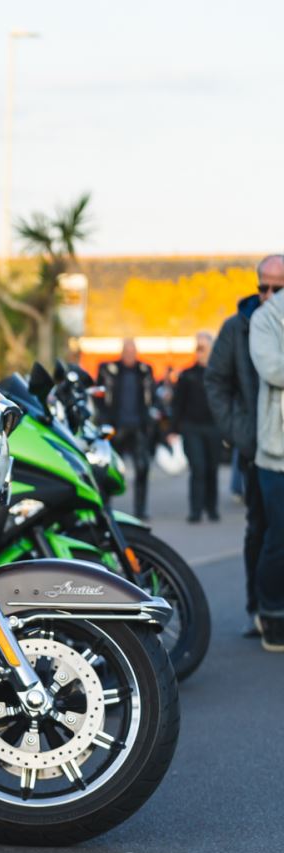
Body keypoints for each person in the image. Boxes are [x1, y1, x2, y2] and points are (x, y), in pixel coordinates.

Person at [207, 255, 284, 637]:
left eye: (277, 287)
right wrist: (240, 433)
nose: (268, 294)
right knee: (261, 528)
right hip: (257, 446)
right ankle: (260, 608)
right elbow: (216, 383)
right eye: (263, 287)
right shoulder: (235, 328)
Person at [246, 276, 284, 651]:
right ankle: (270, 613)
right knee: (277, 537)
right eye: (264, 284)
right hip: (275, 452)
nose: (270, 291)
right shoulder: (264, 319)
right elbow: (273, 370)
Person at [98, 338, 157, 519]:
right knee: (110, 470)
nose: (130, 355)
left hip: (138, 426)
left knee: (142, 468)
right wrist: (104, 419)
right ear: (122, 352)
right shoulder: (109, 370)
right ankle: (105, 507)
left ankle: (140, 509)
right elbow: (99, 394)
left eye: (132, 352)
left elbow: (152, 397)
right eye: (127, 352)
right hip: (116, 427)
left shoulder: (144, 371)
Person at [171, 331, 221, 522]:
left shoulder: (219, 374)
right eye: (197, 348)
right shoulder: (187, 375)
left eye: (203, 347)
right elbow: (178, 404)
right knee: (198, 468)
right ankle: (196, 510)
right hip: (192, 427)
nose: (200, 352)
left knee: (212, 469)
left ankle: (212, 508)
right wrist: (173, 429)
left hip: (214, 427)